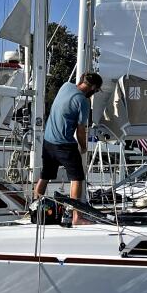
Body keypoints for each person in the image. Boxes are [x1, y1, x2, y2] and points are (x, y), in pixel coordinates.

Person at [34, 72, 103, 224]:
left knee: (45, 176)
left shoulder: (65, 86)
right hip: (64, 144)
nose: (95, 92)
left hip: (48, 141)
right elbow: (80, 129)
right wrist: (84, 147)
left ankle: (34, 209)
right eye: (96, 90)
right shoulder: (83, 102)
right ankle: (76, 217)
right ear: (92, 87)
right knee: (77, 178)